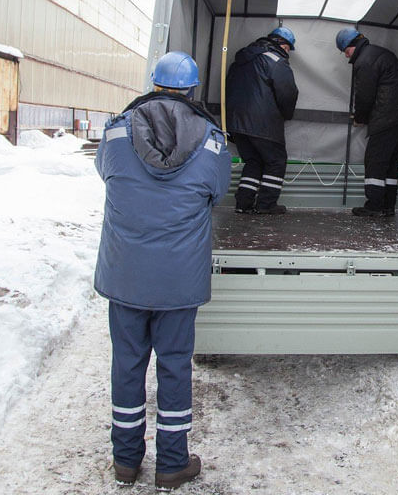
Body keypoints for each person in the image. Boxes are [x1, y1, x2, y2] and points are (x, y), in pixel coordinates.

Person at [93, 51, 232, 490]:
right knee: (174, 366)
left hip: (126, 274)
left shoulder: (117, 132)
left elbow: (105, 173)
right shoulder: (211, 140)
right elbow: (217, 191)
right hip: (178, 279)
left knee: (127, 364)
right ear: (192, 89)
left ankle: (126, 461)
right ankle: (172, 464)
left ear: (153, 82)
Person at [335, 28, 398, 216]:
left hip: (389, 115)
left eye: (345, 51)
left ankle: (374, 206)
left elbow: (365, 95)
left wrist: (360, 118)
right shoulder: (378, 53)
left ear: (351, 46)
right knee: (390, 162)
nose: (346, 56)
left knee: (375, 160)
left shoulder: (365, 60)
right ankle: (387, 205)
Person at [225, 26, 299, 214]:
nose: (288, 52)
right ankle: (266, 205)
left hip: (237, 124)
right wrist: (286, 113)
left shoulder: (240, 61)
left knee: (253, 161)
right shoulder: (275, 60)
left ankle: (243, 203)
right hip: (263, 124)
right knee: (276, 161)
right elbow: (288, 92)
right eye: (289, 48)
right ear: (282, 44)